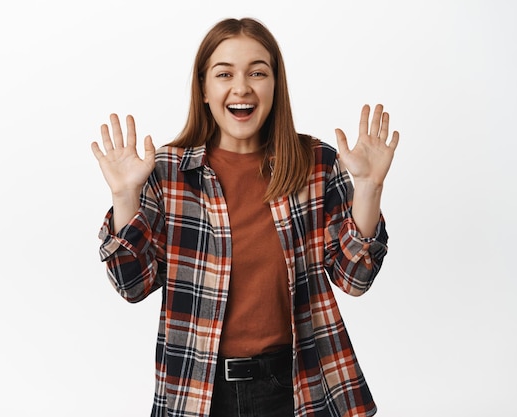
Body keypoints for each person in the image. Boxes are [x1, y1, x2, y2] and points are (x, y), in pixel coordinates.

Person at [91, 17, 399, 417]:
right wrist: (123, 195)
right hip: (198, 391)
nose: (242, 87)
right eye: (224, 74)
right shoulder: (166, 172)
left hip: (295, 388)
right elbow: (132, 284)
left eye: (257, 72)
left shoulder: (315, 164)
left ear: (275, 85)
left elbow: (354, 278)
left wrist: (370, 187)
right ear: (204, 88)